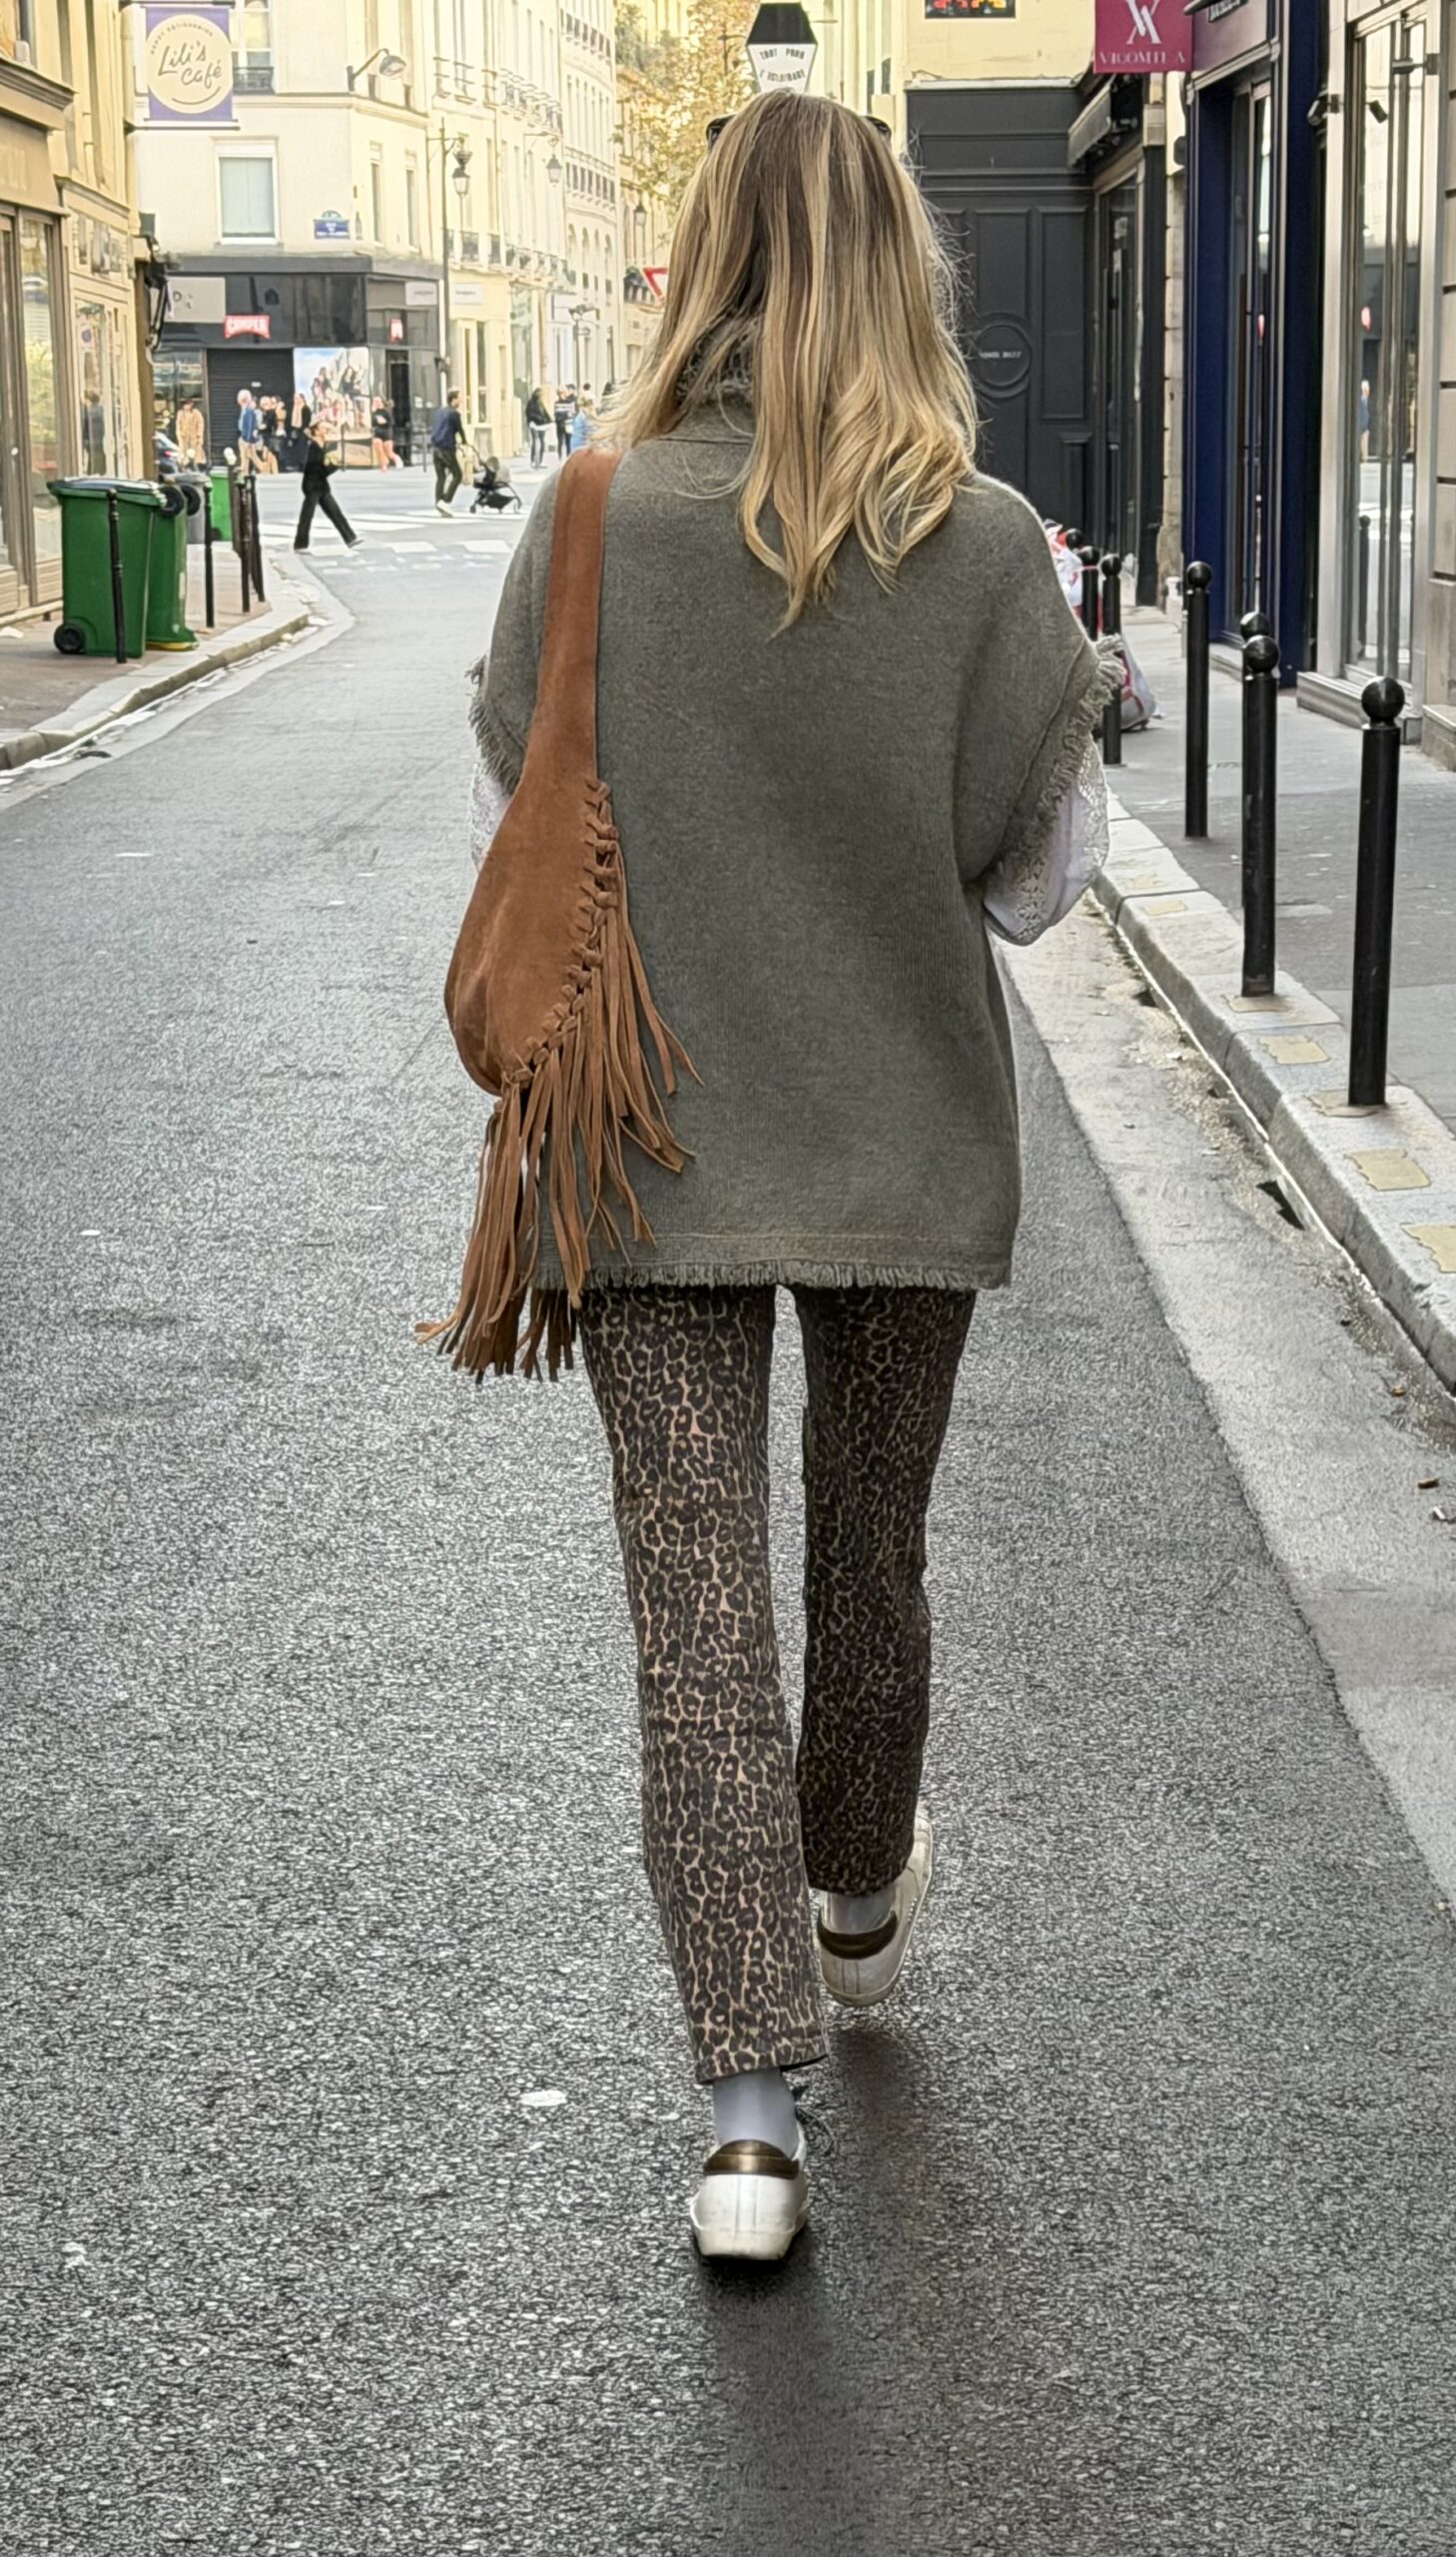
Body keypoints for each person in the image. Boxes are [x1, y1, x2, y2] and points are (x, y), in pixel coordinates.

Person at [456, 90, 1113, 2261]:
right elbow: (1028, 886)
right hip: (909, 1133)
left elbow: (521, 767)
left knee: (689, 1612)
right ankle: (848, 1888)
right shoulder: (993, 541)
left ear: (702, 260)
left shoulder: (585, 513)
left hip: (641, 1141)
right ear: (898, 267)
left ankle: (748, 2116)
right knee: (869, 1552)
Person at [292, 430, 361, 552]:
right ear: (317, 431)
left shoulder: (322, 446)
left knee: (335, 513)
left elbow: (321, 469)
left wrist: (333, 465)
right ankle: (300, 544)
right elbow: (313, 468)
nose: (326, 431)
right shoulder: (313, 446)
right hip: (312, 485)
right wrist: (332, 466)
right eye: (323, 428)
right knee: (307, 516)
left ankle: (350, 538)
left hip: (321, 485)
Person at [429, 390, 465, 514]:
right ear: (453, 399)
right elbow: (459, 430)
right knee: (458, 474)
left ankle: (438, 501)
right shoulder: (454, 414)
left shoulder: (439, 412)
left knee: (441, 476)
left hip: (435, 448)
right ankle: (446, 499)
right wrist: (464, 443)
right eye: (459, 398)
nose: (461, 401)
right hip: (447, 448)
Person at [174, 397, 206, 466]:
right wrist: (179, 435)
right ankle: (184, 464)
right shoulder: (180, 413)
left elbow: (200, 423)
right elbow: (178, 424)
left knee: (196, 451)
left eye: (188, 404)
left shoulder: (196, 412)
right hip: (184, 436)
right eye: (185, 404)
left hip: (194, 436)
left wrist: (199, 434)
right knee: (183, 451)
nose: (187, 406)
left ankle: (197, 464)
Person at [524, 385, 550, 468]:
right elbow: (529, 413)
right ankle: (532, 460)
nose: (541, 396)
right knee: (535, 441)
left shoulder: (540, 402)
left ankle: (541, 460)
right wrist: (536, 419)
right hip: (534, 424)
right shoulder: (531, 402)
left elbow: (545, 412)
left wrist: (549, 419)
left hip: (541, 424)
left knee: (542, 441)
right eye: (540, 394)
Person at [236, 388, 260, 470]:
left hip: (246, 436)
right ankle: (244, 470)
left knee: (252, 456)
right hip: (243, 435)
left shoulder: (248, 410)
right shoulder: (243, 409)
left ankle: (264, 468)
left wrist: (247, 439)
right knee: (244, 456)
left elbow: (249, 426)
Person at [370, 396, 397, 470]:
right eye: (374, 402)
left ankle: (395, 458)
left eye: (378, 402)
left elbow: (392, 422)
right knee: (378, 448)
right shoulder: (373, 412)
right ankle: (383, 465)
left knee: (389, 453)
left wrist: (384, 422)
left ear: (381, 402)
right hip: (378, 432)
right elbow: (371, 423)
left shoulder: (386, 411)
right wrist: (372, 413)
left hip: (386, 432)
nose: (376, 403)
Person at [552, 387, 572, 460]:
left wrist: (562, 415)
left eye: (562, 393)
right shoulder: (557, 403)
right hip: (562, 424)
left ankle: (568, 457)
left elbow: (570, 414)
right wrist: (565, 415)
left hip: (566, 424)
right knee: (560, 442)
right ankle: (560, 457)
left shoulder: (568, 403)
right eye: (559, 393)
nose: (561, 395)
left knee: (568, 442)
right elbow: (557, 414)